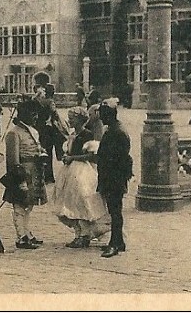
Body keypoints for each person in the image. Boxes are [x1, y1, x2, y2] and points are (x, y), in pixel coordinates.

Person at [56, 107, 110, 248]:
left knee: (81, 200)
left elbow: (92, 156)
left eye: (72, 118)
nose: (69, 120)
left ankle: (85, 234)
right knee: (71, 202)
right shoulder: (73, 134)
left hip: (81, 171)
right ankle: (78, 233)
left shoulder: (87, 134)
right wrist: (66, 156)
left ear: (80, 120)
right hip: (70, 171)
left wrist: (72, 157)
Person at [3, 97, 48, 249]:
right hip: (22, 174)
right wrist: (20, 180)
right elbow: (13, 161)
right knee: (19, 205)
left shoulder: (32, 131)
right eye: (33, 114)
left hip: (34, 172)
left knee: (28, 205)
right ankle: (21, 237)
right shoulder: (14, 134)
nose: (36, 117)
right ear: (24, 114)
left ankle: (27, 233)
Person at [96, 99, 133, 258]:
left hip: (114, 177)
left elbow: (121, 158)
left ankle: (114, 244)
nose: (101, 119)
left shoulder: (116, 132)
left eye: (103, 115)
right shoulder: (114, 129)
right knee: (114, 210)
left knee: (115, 211)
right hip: (110, 176)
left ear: (109, 115)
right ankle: (118, 242)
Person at [34, 85, 67, 184]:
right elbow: (55, 115)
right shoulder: (50, 102)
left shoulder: (40, 101)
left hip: (40, 128)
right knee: (49, 153)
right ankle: (49, 176)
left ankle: (42, 175)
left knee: (43, 152)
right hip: (49, 130)